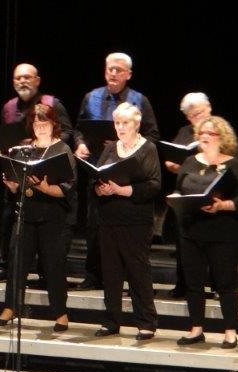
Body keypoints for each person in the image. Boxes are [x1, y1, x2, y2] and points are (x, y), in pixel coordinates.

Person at [74, 52, 160, 291]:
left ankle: (129, 279)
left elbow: (152, 135)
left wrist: (126, 145)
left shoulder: (139, 100)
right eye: (109, 69)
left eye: (118, 70)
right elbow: (78, 128)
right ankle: (93, 276)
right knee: (95, 226)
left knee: (127, 234)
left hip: (129, 174)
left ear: (128, 74)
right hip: (99, 171)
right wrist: (80, 144)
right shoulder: (91, 97)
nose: (113, 73)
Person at [0, 103, 76, 332]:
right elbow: (18, 184)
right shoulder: (24, 149)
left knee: (53, 265)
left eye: (44, 122)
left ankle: (60, 313)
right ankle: (10, 307)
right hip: (26, 214)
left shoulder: (62, 150)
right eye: (36, 123)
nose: (40, 127)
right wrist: (12, 185)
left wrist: (45, 188)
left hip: (53, 216)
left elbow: (67, 189)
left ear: (53, 124)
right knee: (17, 262)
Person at [0, 63, 75, 282]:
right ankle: (7, 266)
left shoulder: (52, 103)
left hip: (46, 168)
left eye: (27, 77)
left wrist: (42, 143)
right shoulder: (9, 107)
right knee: (10, 219)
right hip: (19, 168)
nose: (23, 81)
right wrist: (5, 149)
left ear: (37, 80)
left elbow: (67, 131)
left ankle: (45, 272)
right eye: (18, 78)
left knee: (45, 227)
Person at [174, 116, 238, 348]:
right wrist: (177, 200)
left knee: (226, 283)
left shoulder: (233, 165)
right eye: (202, 133)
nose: (205, 137)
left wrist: (222, 205)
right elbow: (179, 190)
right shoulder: (190, 162)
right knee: (194, 283)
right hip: (192, 232)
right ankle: (196, 329)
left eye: (211, 133)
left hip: (223, 233)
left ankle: (230, 332)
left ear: (222, 138)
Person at [92, 102, 161, 340]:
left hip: (136, 220)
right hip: (109, 218)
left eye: (125, 123)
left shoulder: (148, 148)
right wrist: (99, 189)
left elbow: (154, 185)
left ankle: (146, 322)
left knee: (137, 270)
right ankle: (111, 321)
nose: (120, 127)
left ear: (136, 124)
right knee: (111, 272)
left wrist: (121, 190)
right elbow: (96, 176)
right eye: (117, 123)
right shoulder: (111, 148)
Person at [165, 92, 214, 298]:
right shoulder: (185, 132)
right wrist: (173, 164)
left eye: (199, 113)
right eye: (191, 115)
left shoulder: (219, 129)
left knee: (208, 243)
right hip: (186, 194)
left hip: (210, 192)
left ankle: (210, 285)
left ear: (209, 109)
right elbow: (171, 159)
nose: (196, 118)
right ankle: (183, 283)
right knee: (183, 242)